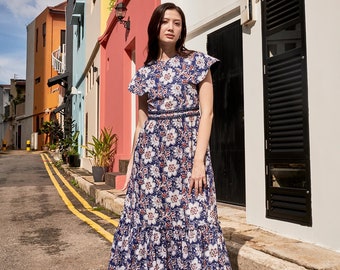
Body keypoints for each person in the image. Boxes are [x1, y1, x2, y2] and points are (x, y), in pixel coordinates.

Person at [108, 2, 232, 269]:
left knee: (196, 217)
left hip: (187, 156)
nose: (171, 27)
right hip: (151, 162)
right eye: (165, 22)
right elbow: (142, 124)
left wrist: (199, 161)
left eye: (177, 23)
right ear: (156, 26)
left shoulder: (197, 62)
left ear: (182, 29)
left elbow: (207, 114)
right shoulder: (144, 74)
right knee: (151, 221)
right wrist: (132, 166)